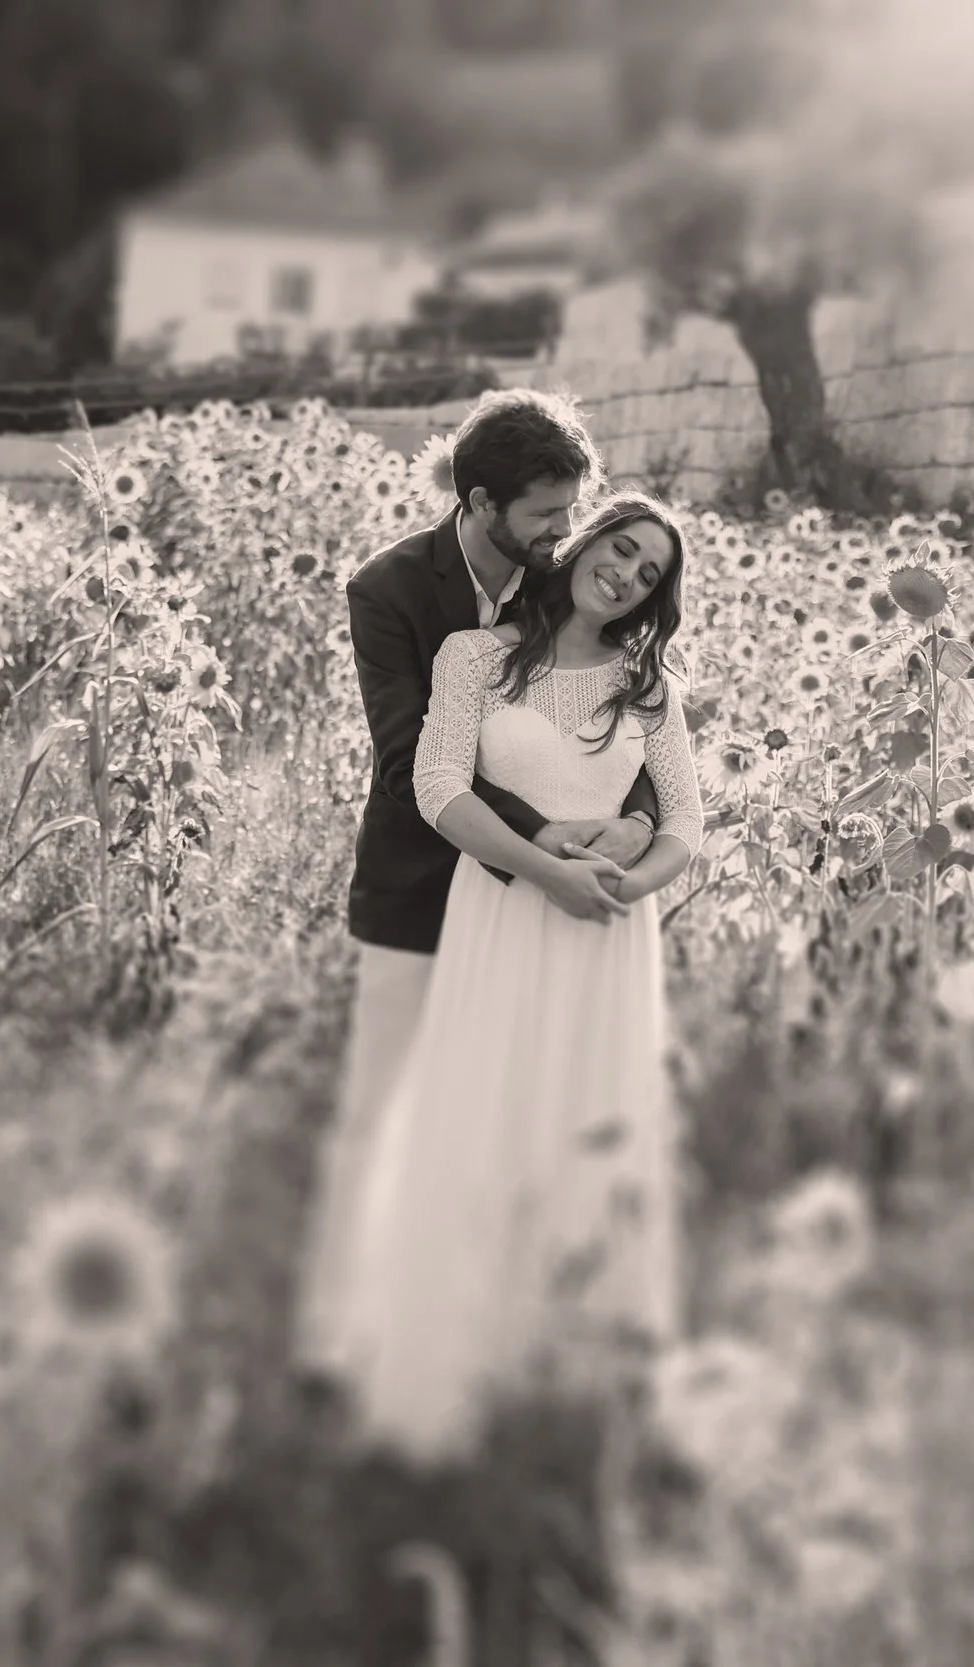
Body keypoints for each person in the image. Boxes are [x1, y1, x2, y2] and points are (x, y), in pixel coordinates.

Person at [303, 489, 704, 1461]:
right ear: (586, 539)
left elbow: (686, 822)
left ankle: (578, 1373)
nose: (626, 573)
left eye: (649, 572)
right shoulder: (474, 656)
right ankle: (457, 1366)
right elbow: (438, 787)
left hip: (606, 937)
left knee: (590, 1124)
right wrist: (544, 871)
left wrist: (617, 883)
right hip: (501, 913)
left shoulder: (646, 683)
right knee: (484, 1114)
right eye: (621, 547)